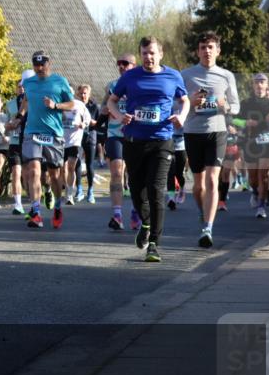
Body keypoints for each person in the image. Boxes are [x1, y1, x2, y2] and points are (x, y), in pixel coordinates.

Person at [107, 36, 188, 262]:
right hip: (134, 140)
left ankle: (154, 244)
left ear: (160, 54)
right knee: (136, 189)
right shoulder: (130, 77)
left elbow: (185, 100)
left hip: (162, 140)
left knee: (155, 189)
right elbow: (111, 101)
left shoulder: (173, 75)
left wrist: (181, 116)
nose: (148, 57)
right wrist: (120, 116)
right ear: (140, 54)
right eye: (144, 53)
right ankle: (145, 222)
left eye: (152, 53)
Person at [180, 31, 240, 245]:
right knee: (198, 187)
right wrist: (190, 102)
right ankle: (203, 210)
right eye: (203, 47)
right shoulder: (185, 75)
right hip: (193, 132)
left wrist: (226, 106)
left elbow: (236, 106)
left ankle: (208, 228)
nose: (207, 51)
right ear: (198, 51)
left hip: (217, 131)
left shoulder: (226, 76)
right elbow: (175, 104)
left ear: (218, 51)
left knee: (212, 179)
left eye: (211, 47)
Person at [19, 52, 75, 229]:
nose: (39, 68)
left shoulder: (60, 81)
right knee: (34, 171)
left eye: (42, 64)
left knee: (54, 175)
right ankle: (36, 212)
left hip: (53, 134)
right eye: (36, 65)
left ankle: (58, 206)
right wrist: (18, 116)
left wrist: (56, 105)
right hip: (32, 132)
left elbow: (72, 104)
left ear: (49, 64)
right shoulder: (28, 83)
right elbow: (26, 100)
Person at [235, 73, 269, 219]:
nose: (259, 85)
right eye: (257, 82)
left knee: (264, 175)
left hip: (267, 141)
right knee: (253, 178)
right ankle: (255, 191)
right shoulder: (246, 103)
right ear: (253, 85)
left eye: (262, 82)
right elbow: (234, 120)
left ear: (267, 85)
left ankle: (261, 206)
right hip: (250, 142)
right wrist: (245, 123)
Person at [105, 54, 138, 230]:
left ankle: (135, 210)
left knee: (134, 174)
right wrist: (107, 111)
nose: (121, 66)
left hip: (135, 133)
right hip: (115, 133)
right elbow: (105, 107)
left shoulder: (140, 84)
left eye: (125, 63)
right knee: (117, 172)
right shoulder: (112, 86)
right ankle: (117, 215)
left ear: (134, 65)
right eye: (119, 63)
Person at [5, 72, 33, 215]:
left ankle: (33, 197)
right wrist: (8, 127)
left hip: (28, 139)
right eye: (19, 87)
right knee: (16, 172)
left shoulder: (32, 99)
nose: (21, 89)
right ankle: (17, 204)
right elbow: (6, 122)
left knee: (28, 174)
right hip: (14, 142)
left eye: (23, 86)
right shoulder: (9, 104)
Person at [61, 88, 92, 205]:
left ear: (72, 93)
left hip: (75, 141)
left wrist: (83, 124)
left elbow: (87, 118)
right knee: (62, 169)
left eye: (69, 93)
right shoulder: (60, 105)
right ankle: (65, 188)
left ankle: (69, 195)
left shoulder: (79, 104)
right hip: (61, 141)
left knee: (71, 167)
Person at [76, 84, 100, 202]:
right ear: (77, 94)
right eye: (81, 93)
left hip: (90, 136)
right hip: (77, 136)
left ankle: (90, 191)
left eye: (85, 93)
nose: (83, 95)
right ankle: (79, 189)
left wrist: (90, 121)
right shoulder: (75, 105)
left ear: (89, 94)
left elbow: (99, 123)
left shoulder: (94, 106)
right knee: (77, 162)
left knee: (90, 164)